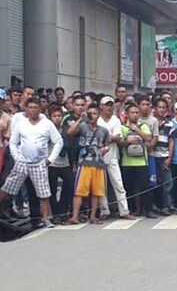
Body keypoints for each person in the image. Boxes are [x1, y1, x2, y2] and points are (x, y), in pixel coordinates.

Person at [0, 98, 63, 228]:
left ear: (40, 109)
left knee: (43, 193)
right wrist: (16, 157)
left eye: (35, 108)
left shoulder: (47, 124)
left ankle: (45, 218)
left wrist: (50, 159)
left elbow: (58, 141)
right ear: (26, 109)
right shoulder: (21, 124)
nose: (33, 110)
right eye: (30, 108)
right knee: (7, 188)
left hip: (40, 163)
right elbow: (13, 142)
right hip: (22, 162)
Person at [65, 103, 111, 225]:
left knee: (96, 192)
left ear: (99, 115)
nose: (92, 116)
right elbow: (70, 132)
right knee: (79, 191)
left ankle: (93, 216)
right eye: (90, 113)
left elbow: (107, 145)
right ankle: (74, 216)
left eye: (95, 113)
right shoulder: (82, 127)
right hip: (84, 163)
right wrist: (80, 118)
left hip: (98, 164)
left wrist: (105, 149)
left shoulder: (104, 130)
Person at [97, 96, 135, 220]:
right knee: (101, 185)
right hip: (98, 156)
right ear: (101, 106)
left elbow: (117, 138)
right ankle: (104, 211)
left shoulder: (115, 120)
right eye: (106, 105)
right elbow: (96, 137)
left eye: (110, 105)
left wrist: (104, 137)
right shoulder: (97, 120)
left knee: (118, 184)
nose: (108, 107)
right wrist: (110, 137)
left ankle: (124, 211)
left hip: (112, 155)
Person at [119, 103, 156, 219]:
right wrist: (129, 142)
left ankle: (148, 209)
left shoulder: (143, 126)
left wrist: (136, 130)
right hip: (127, 162)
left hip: (142, 162)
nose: (135, 115)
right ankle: (134, 209)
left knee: (145, 187)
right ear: (127, 114)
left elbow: (149, 138)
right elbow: (120, 144)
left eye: (136, 113)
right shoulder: (122, 128)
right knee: (130, 187)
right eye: (132, 113)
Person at [47, 105, 74, 223]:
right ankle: (56, 213)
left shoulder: (66, 129)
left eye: (59, 116)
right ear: (50, 117)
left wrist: (74, 164)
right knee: (51, 190)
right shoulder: (47, 129)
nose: (57, 118)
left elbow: (71, 147)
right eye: (54, 116)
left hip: (65, 162)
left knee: (70, 187)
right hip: (51, 164)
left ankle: (63, 211)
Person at [152, 98, 174, 216]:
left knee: (168, 183)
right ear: (155, 108)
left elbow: (171, 141)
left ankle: (166, 206)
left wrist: (169, 157)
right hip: (152, 156)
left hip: (164, 156)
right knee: (153, 182)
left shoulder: (169, 124)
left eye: (163, 107)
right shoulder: (151, 122)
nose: (161, 109)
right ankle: (154, 205)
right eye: (159, 107)